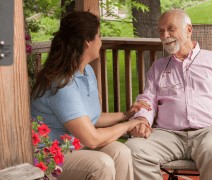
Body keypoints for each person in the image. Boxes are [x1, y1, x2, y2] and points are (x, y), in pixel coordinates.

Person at [125, 9, 212, 180]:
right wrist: (142, 119)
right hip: (169, 134)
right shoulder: (158, 67)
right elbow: (147, 100)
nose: (165, 35)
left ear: (188, 30)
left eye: (171, 29)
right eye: (161, 31)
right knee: (133, 150)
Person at [30, 11, 151, 180]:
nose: (101, 42)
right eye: (99, 36)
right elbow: (92, 139)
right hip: (49, 155)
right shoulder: (61, 83)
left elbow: (93, 118)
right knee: (102, 163)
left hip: (73, 145)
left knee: (121, 151)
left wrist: (126, 115)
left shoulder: (86, 71)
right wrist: (128, 125)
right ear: (87, 43)